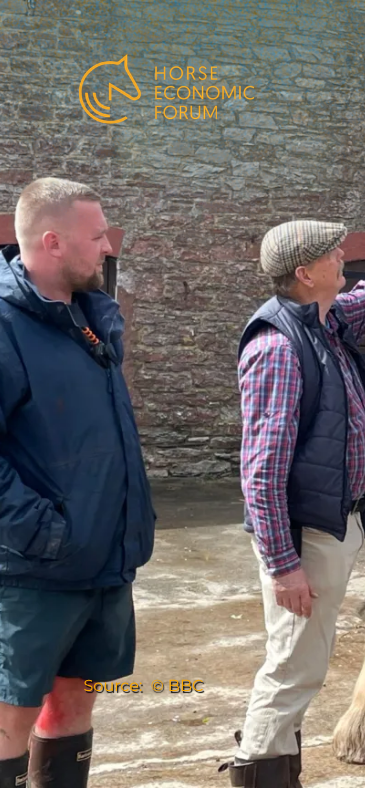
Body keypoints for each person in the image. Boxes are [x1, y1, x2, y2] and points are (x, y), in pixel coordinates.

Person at [221, 165, 365, 787]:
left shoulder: (324, 322)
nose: (342, 255)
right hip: (306, 537)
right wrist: (283, 565)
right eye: (332, 252)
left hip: (333, 523)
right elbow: (261, 471)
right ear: (305, 273)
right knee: (294, 665)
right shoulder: (277, 347)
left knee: (302, 659)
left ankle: (276, 766)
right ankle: (260, 771)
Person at [0, 177, 156, 788]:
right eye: (96, 237)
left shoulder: (91, 318)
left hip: (104, 563)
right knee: (8, 722)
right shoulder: (5, 326)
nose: (107, 248)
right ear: (52, 242)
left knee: (72, 709)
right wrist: (45, 533)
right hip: (34, 574)